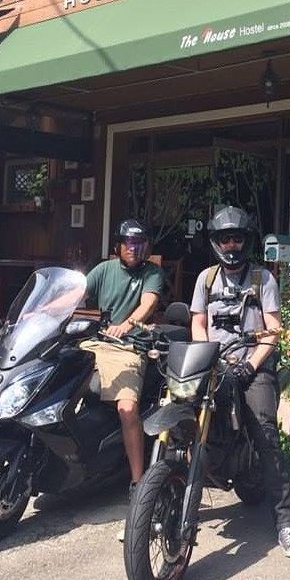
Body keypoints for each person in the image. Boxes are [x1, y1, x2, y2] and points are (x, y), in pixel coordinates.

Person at [190, 206, 290, 559]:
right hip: (214, 364)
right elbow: (197, 323)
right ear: (215, 242)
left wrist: (251, 364)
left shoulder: (263, 279)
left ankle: (286, 522)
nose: (231, 245)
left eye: (237, 238)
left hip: (253, 365)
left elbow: (272, 330)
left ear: (247, 240)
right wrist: (204, 356)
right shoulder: (206, 278)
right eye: (225, 238)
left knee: (265, 434)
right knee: (185, 421)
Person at [80, 218, 164, 539]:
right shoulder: (104, 270)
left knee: (127, 408)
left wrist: (127, 323)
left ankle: (137, 484)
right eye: (128, 242)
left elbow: (148, 303)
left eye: (139, 242)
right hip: (95, 342)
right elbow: (78, 292)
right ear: (118, 244)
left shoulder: (151, 274)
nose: (133, 247)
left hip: (129, 347)